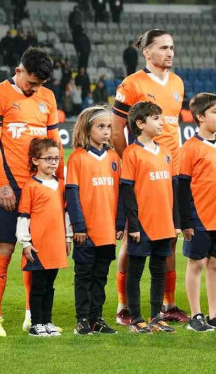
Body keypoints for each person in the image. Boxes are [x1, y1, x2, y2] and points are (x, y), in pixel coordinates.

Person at [0, 48, 61, 337]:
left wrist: (58, 179)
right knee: (5, 247)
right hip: (12, 184)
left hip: (40, 186)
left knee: (35, 252)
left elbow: (54, 141)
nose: (34, 89)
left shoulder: (48, 97)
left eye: (39, 85)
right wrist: (2, 184)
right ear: (19, 71)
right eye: (31, 83)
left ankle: (32, 314)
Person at [111, 29, 186, 325]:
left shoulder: (178, 83)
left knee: (169, 240)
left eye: (172, 47)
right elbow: (117, 131)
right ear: (147, 52)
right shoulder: (131, 85)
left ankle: (167, 304)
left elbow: (173, 127)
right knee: (133, 239)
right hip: (143, 176)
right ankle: (124, 307)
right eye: (164, 47)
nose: (170, 52)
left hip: (172, 172)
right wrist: (132, 163)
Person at [178, 93, 216, 332]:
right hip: (199, 217)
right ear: (200, 117)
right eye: (215, 112)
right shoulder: (190, 148)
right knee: (196, 265)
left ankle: (215, 314)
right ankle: (196, 316)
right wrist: (185, 221)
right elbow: (182, 187)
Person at [120, 101, 177, 334]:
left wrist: (175, 223)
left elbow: (171, 189)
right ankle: (135, 318)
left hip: (164, 224)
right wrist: (133, 224)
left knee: (158, 270)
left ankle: (156, 317)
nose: (161, 122)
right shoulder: (131, 153)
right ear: (140, 124)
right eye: (155, 118)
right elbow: (127, 191)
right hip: (142, 225)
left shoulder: (165, 152)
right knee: (135, 271)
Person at [66, 105, 121, 335]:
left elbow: (121, 193)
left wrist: (120, 224)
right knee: (84, 275)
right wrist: (78, 226)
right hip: (86, 232)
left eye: (109, 127)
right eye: (101, 126)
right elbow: (72, 194)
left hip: (107, 231)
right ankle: (82, 319)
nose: (107, 131)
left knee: (101, 276)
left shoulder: (114, 157)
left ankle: (97, 318)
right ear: (87, 129)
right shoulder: (77, 158)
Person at [17, 138, 70, 336]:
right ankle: (35, 324)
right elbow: (23, 216)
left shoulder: (61, 185)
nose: (53, 162)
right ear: (35, 160)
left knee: (50, 285)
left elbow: (65, 214)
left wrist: (68, 238)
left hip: (55, 244)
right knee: (38, 285)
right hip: (38, 245)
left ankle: (47, 321)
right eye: (48, 158)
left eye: (56, 158)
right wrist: (25, 242)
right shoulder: (30, 186)